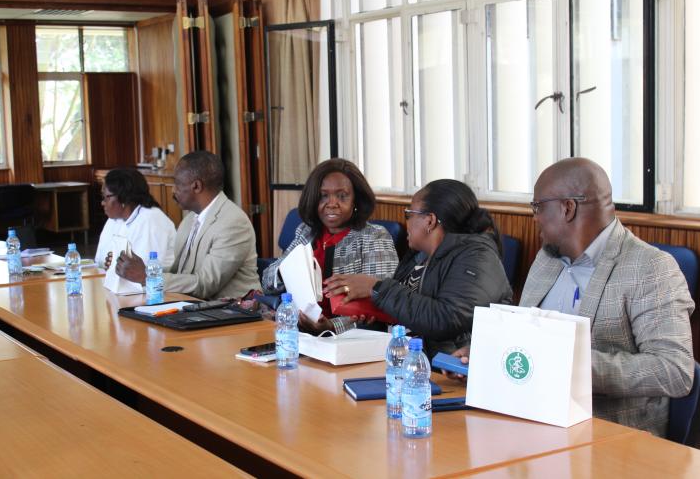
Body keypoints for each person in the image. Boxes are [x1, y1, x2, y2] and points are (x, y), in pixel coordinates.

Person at [520, 157, 694, 437]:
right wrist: (490, 350)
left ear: (567, 208)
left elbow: (674, 371)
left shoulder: (650, 268)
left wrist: (572, 365)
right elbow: (526, 340)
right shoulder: (547, 259)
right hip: (532, 417)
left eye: (538, 206)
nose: (535, 217)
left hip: (609, 435)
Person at [325, 179, 513, 359]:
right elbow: (411, 310)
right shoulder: (418, 255)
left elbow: (445, 319)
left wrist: (377, 288)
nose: (406, 222)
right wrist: (375, 310)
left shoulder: (477, 257)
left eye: (409, 214)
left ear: (430, 221)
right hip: (406, 361)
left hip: (447, 370)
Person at [262, 158, 399, 333]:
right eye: (323, 196)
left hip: (349, 339)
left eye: (342, 196)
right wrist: (286, 271)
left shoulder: (374, 236)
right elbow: (267, 282)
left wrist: (332, 327)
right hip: (299, 329)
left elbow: (383, 304)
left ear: (355, 200)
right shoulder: (306, 232)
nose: (332, 204)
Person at [116, 151, 260, 299]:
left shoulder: (233, 223)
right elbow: (179, 273)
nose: (173, 190)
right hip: (194, 305)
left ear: (196, 186)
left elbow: (205, 284)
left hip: (232, 309)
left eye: (177, 184)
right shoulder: (189, 219)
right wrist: (138, 271)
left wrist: (147, 276)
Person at [94, 168, 176, 269]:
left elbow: (140, 270)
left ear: (123, 197)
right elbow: (100, 261)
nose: (102, 203)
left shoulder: (150, 220)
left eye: (106, 197)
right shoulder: (114, 220)